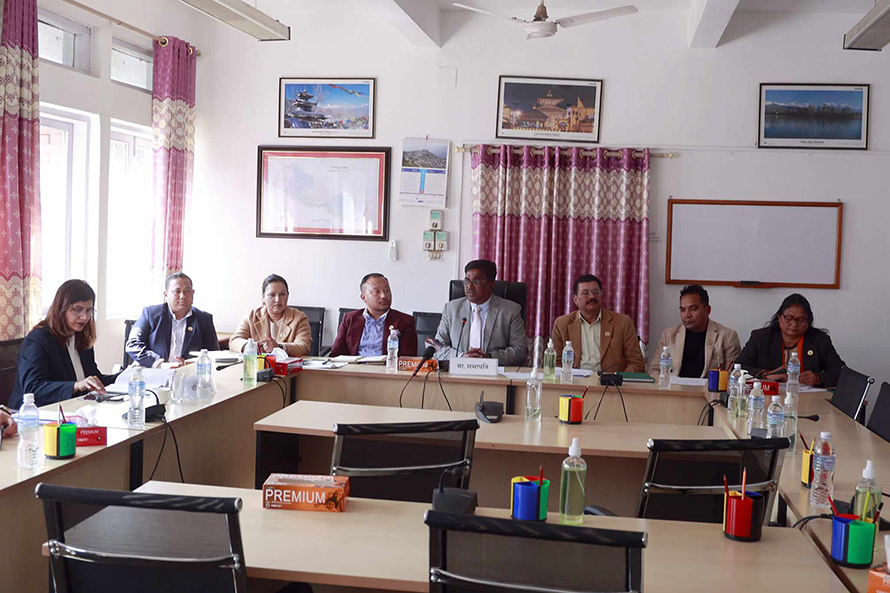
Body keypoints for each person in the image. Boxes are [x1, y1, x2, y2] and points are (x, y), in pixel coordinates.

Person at [10, 280, 119, 408]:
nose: (84, 317)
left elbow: (93, 380)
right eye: (78, 309)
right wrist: (76, 386)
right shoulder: (37, 340)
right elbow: (33, 388)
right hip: (34, 414)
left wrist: (125, 376)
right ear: (61, 308)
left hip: (71, 410)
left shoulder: (81, 338)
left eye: (88, 310)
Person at [736, 293, 844, 387]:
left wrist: (818, 378)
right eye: (789, 318)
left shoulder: (819, 340)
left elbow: (841, 372)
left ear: (808, 321)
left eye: (801, 320)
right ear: (779, 317)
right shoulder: (761, 338)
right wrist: (765, 375)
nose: (794, 324)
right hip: (769, 396)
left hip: (808, 396)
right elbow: (738, 368)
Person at [434, 260, 528, 366]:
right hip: (458, 371)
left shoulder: (510, 310)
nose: (469, 286)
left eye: (476, 282)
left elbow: (520, 350)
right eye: (467, 281)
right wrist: (461, 357)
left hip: (495, 373)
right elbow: (436, 346)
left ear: (491, 285)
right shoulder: (451, 309)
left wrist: (489, 358)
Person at [551, 274, 645, 373]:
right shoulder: (562, 324)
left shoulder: (623, 322)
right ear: (575, 299)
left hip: (611, 381)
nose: (592, 296)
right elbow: (556, 363)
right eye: (585, 293)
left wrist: (619, 379)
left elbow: (636, 363)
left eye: (596, 292)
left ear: (601, 295)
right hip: (575, 380)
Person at [126, 272, 219, 368]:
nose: (183, 296)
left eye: (187, 291)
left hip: (188, 372)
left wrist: (192, 363)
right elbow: (133, 344)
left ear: (193, 293)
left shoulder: (204, 319)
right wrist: (159, 364)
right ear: (166, 295)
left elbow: (214, 354)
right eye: (177, 291)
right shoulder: (151, 314)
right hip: (155, 371)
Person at [647, 285, 741, 378]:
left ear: (707, 310)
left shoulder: (727, 336)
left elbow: (733, 376)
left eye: (693, 309)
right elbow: (654, 370)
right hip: (674, 387)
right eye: (683, 310)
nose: (687, 315)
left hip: (709, 388)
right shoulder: (669, 335)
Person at [331, 273, 418, 357]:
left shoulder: (405, 321)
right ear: (363, 297)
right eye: (376, 292)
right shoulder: (350, 318)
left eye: (387, 290)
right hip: (353, 366)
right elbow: (336, 354)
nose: (383, 296)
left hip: (386, 367)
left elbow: (408, 359)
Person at [230, 274, 311, 357]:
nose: (277, 300)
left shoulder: (299, 318)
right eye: (272, 295)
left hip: (287, 365)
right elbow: (234, 340)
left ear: (287, 296)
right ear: (263, 298)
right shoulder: (251, 316)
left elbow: (304, 346)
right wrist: (249, 346)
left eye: (282, 294)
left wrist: (279, 347)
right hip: (258, 364)